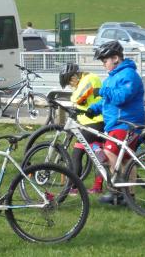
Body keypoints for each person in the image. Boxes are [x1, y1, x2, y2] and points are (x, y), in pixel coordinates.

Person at [86, 41, 145, 205]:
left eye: (105, 61)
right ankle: (128, 197)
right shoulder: (112, 77)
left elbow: (121, 97)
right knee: (126, 160)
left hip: (126, 123)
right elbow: (107, 101)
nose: (104, 64)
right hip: (115, 123)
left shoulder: (129, 75)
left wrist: (104, 90)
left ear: (116, 58)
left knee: (110, 151)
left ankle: (117, 191)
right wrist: (94, 108)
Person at [59, 63, 105, 194]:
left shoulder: (89, 78)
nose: (70, 85)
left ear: (74, 76)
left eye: (69, 81)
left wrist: (74, 99)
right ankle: (97, 187)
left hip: (95, 122)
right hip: (91, 123)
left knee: (77, 154)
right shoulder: (84, 80)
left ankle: (72, 187)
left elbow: (77, 98)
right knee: (97, 155)